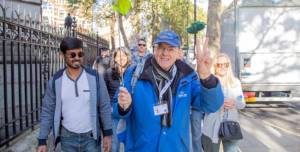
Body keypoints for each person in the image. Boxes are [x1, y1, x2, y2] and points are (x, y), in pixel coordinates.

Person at [112, 30, 224, 151]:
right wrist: (124, 107)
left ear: (178, 52)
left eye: (171, 49)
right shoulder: (134, 74)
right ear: (154, 49)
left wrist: (206, 77)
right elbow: (116, 109)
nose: (165, 53)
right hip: (141, 147)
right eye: (161, 47)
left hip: (175, 147)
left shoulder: (188, 77)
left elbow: (211, 106)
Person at [37, 37, 112, 152]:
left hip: (91, 138)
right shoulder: (56, 81)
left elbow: (104, 106)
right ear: (63, 55)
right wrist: (42, 140)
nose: (77, 58)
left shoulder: (94, 77)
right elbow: (48, 110)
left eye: (80, 54)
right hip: (67, 138)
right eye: (72, 55)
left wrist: (107, 134)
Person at [202, 53, 246, 152]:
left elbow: (242, 104)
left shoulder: (235, 82)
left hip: (231, 126)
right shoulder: (210, 82)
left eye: (225, 64)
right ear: (214, 66)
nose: (223, 67)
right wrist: (220, 104)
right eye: (219, 64)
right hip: (212, 127)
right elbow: (204, 103)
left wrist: (234, 103)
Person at [104, 47, 133, 152]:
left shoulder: (133, 73)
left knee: (129, 142)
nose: (121, 58)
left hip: (129, 112)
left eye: (124, 55)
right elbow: (105, 94)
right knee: (114, 144)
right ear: (114, 58)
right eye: (118, 56)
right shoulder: (108, 73)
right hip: (114, 112)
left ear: (128, 57)